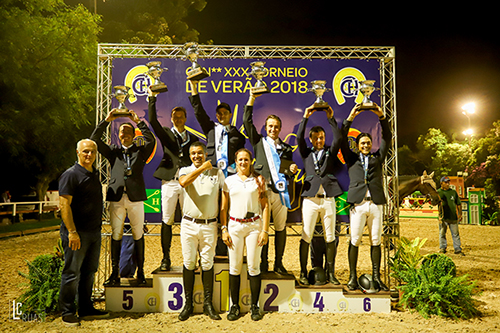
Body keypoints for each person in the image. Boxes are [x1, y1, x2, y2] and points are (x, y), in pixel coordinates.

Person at [90, 109, 155, 285]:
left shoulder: (141, 152)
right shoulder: (113, 152)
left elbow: (152, 140)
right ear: (118, 135)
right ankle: (114, 273)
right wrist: (106, 120)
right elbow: (94, 140)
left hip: (136, 199)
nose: (125, 134)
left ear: (134, 135)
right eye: (122, 132)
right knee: (116, 234)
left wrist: (138, 121)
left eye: (128, 132)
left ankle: (140, 272)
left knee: (138, 234)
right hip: (116, 199)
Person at [243, 91, 297, 274]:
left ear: (280, 128)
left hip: (281, 193)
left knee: (281, 228)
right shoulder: (258, 142)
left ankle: (279, 263)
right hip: (262, 191)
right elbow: (246, 122)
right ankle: (263, 262)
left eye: (276, 126)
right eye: (270, 126)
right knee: (262, 228)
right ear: (265, 128)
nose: (273, 129)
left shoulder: (287, 148)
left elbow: (287, 171)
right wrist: (251, 99)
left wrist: (291, 171)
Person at [58, 139, 109, 326]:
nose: (89, 155)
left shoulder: (94, 174)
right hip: (77, 234)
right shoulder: (71, 175)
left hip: (94, 233)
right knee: (72, 273)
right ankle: (67, 311)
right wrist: (72, 232)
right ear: (78, 153)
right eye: (86, 151)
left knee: (89, 272)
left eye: (92, 152)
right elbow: (64, 204)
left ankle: (86, 307)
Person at [341, 103, 391, 292]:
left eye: (368, 143)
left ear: (372, 144)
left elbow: (388, 137)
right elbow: (341, 137)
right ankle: (352, 277)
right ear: (357, 145)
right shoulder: (351, 158)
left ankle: (376, 277)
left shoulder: (377, 157)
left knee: (376, 240)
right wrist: (351, 116)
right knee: (354, 240)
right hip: (358, 205)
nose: (365, 145)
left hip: (376, 204)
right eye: (362, 143)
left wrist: (381, 116)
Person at [148, 87, 198, 271]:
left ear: (185, 119)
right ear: (171, 119)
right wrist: (152, 98)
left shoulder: (192, 138)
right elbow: (152, 120)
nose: (178, 119)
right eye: (175, 117)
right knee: (167, 220)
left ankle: (191, 258)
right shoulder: (167, 133)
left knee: (190, 220)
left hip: (187, 182)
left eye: (181, 117)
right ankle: (165, 258)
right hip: (169, 181)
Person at [221, 148, 270, 321]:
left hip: (254, 227)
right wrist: (224, 229)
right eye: (240, 160)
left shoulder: (258, 180)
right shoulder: (228, 181)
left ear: (251, 161)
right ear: (235, 162)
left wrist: (265, 230)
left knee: (253, 266)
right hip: (234, 226)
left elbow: (265, 206)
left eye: (246, 160)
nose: (243, 163)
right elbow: (224, 207)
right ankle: (234, 306)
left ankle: (255, 306)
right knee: (234, 267)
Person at [177, 141, 224, 321]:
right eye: (193, 154)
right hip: (189, 224)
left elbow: (223, 197)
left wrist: (223, 225)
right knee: (189, 262)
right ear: (190, 156)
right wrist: (201, 168)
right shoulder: (185, 170)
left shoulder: (216, 173)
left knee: (207, 263)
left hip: (209, 224)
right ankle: (187, 304)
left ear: (205, 153)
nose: (196, 156)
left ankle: (207, 304)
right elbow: (183, 183)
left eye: (199, 153)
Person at [296, 105, 343, 285]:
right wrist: (305, 117)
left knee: (330, 237)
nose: (319, 140)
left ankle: (331, 273)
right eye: (315, 138)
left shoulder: (331, 152)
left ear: (324, 138)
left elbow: (339, 138)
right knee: (306, 235)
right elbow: (299, 137)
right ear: (311, 139)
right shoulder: (306, 153)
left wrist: (331, 119)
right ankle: (302, 272)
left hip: (328, 199)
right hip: (310, 200)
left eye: (321, 137)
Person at [438, 176, 465, 256]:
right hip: (443, 217)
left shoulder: (453, 192)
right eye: (446, 182)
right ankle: (442, 248)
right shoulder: (438, 192)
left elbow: (458, 203)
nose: (447, 184)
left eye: (448, 182)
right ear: (441, 183)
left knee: (455, 234)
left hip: (453, 217)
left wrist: (460, 213)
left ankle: (457, 249)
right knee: (442, 233)